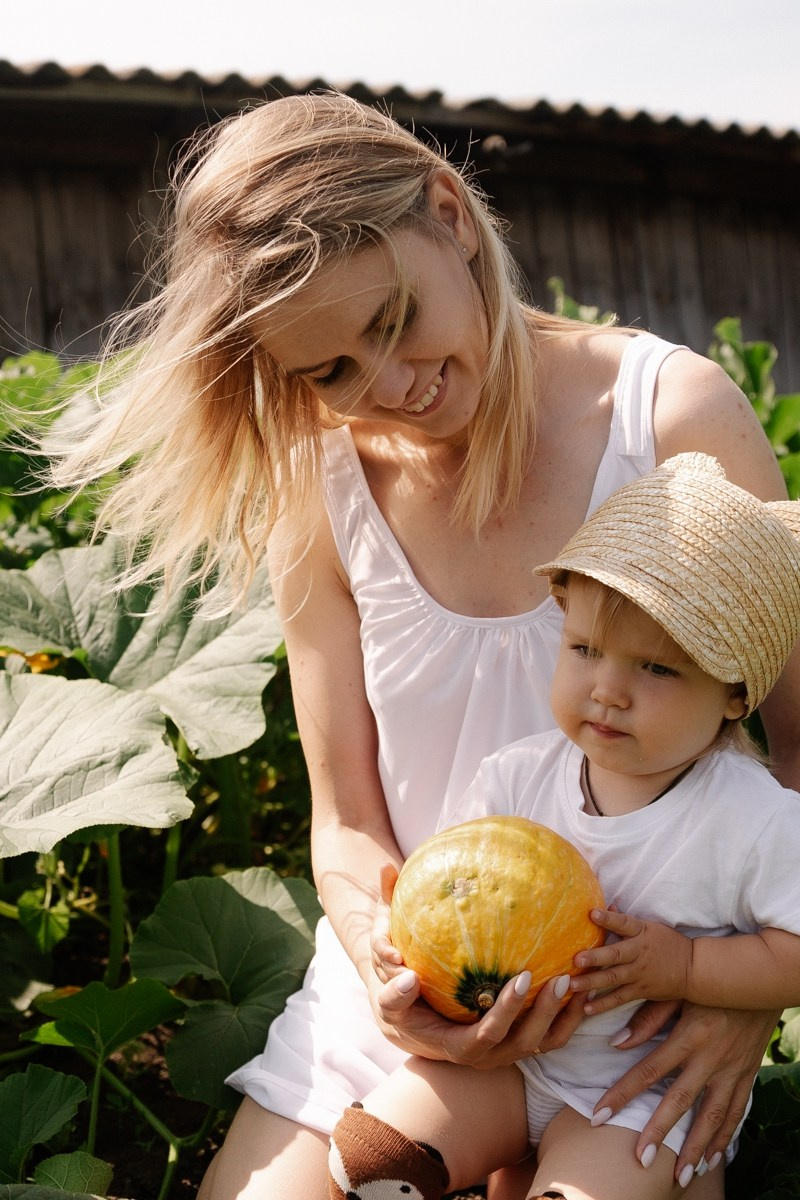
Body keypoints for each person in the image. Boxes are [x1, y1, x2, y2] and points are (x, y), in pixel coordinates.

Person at [42, 91, 799, 1199]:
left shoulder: (666, 417)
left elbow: (795, 754)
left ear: (447, 213)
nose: (389, 386)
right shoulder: (324, 481)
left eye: (392, 320)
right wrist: (389, 972)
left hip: (636, 1014)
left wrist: (741, 997)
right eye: (332, 372)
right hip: (415, 998)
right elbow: (347, 820)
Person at [327, 451, 800, 1200]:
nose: (607, 690)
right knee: (369, 1160)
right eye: (584, 650)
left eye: (657, 670)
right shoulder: (515, 778)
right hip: (512, 1067)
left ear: (736, 694)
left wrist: (687, 969)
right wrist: (403, 939)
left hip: (640, 1101)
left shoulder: (754, 816)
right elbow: (450, 902)